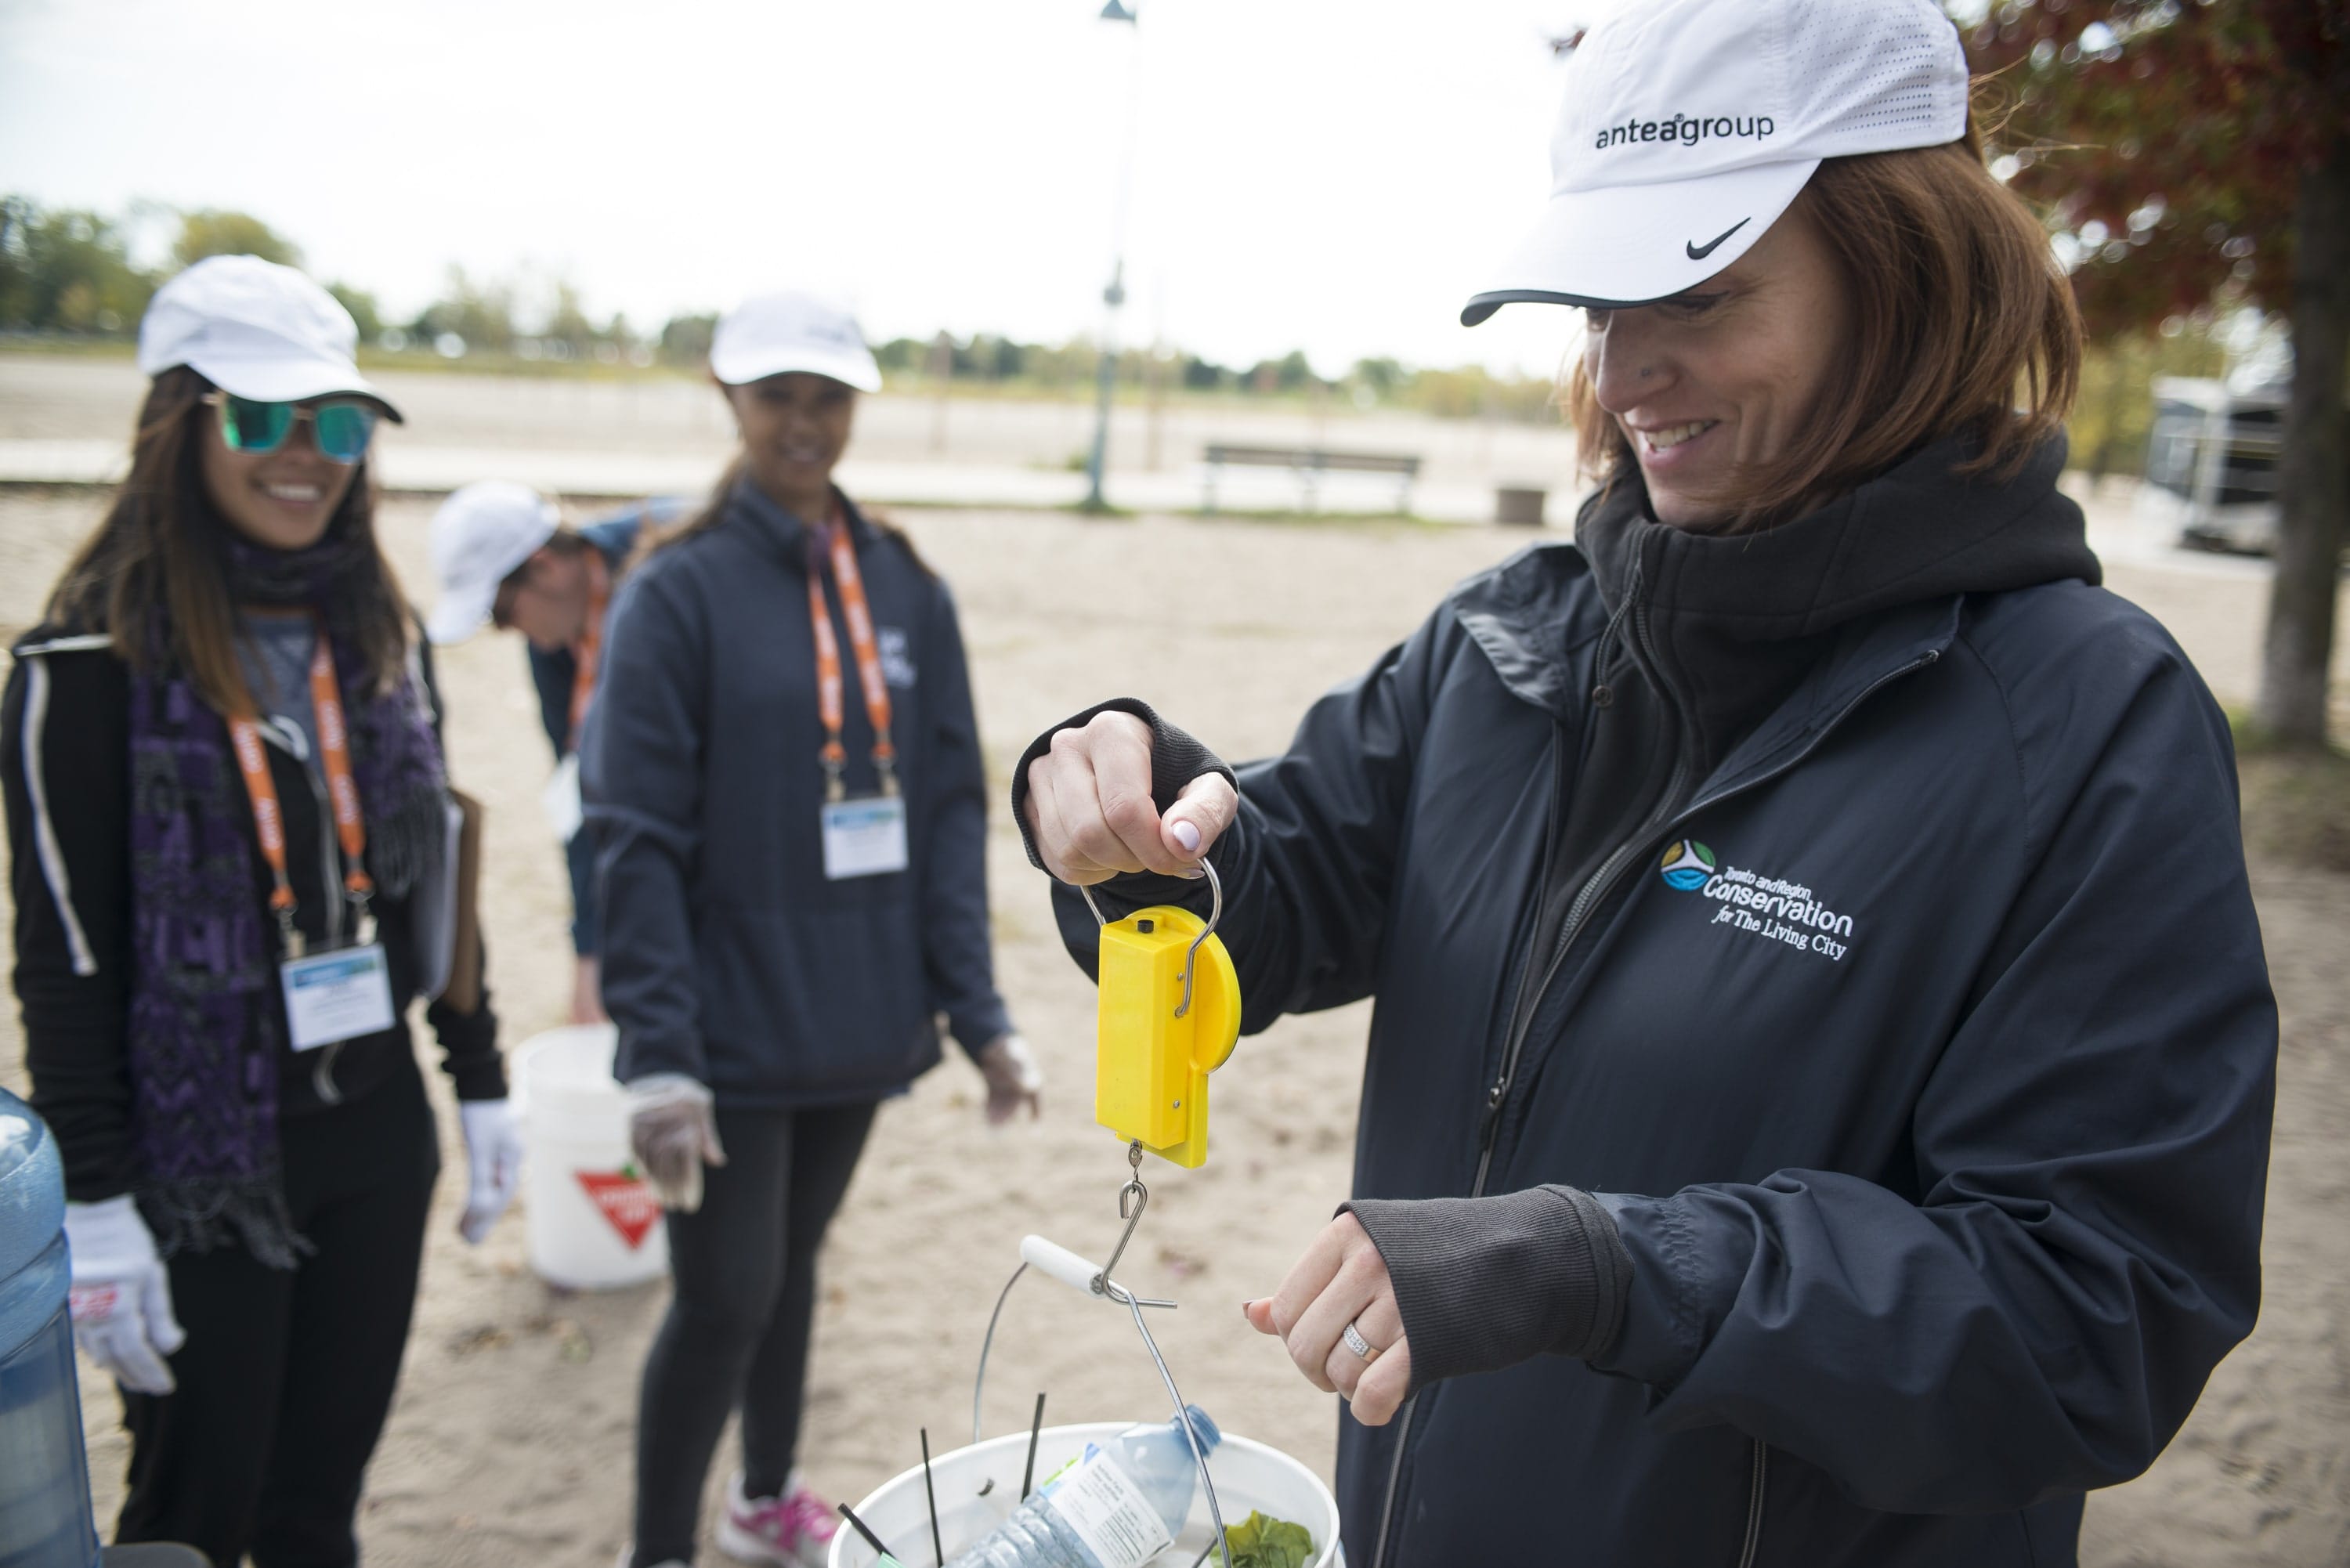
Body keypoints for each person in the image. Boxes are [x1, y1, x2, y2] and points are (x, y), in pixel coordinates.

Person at [1010, 2, 2278, 1563]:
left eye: (1695, 287)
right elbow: (1267, 899)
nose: (1624, 371)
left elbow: (2097, 1315)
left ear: (1908, 275)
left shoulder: (2085, 725)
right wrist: (1131, 817)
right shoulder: (1508, 644)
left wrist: (1611, 1267)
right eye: (1596, 300)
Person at [2, 254, 523, 1566]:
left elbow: (431, 881)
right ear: (180, 424)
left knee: (315, 1511)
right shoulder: (81, 665)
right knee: (194, 1515)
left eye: (335, 422)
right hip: (197, 1178)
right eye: (259, 417)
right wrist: (101, 1207)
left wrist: (479, 1077)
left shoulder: (383, 640)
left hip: (374, 1133)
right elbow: (64, 968)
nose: (305, 454)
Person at [583, 290, 1046, 1568]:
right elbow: (635, 833)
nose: (805, 422)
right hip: (725, 1024)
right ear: (731, 402)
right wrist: (658, 1052)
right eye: (779, 395)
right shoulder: (676, 588)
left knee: (791, 1268)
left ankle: (762, 1496)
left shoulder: (904, 580)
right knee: (725, 1294)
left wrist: (980, 1012)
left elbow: (953, 808)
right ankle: (659, 1550)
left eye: (829, 397)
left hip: (859, 1009)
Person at [424, 480, 688, 1022]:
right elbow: (579, 795)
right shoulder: (556, 646)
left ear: (544, 566)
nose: (506, 631)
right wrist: (590, 954)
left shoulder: (672, 558)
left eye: (501, 612)